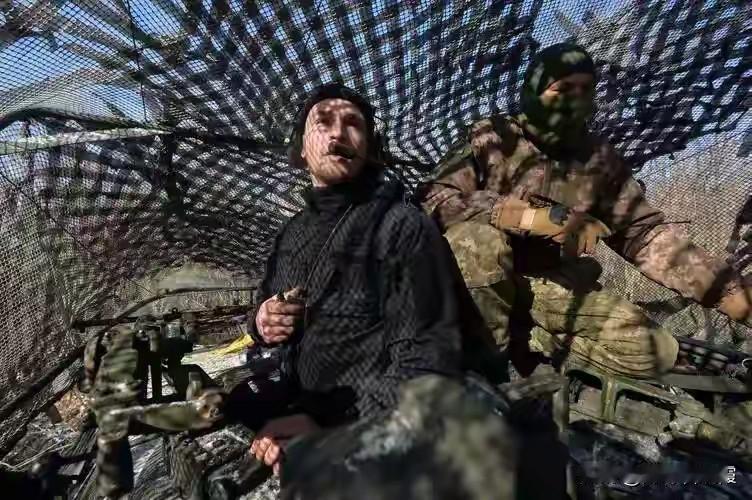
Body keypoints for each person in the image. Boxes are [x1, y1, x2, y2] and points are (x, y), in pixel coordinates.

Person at [419, 42, 752, 380]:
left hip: (549, 284)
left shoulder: (597, 159)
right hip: (476, 281)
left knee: (657, 352)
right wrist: (526, 217)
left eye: (585, 90)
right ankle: (486, 368)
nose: (574, 100)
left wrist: (727, 292)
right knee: (476, 241)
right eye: (562, 89)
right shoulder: (492, 137)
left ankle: (532, 341)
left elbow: (644, 236)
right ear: (534, 90)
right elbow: (434, 200)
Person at [245, 83, 464, 475]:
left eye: (353, 124)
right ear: (302, 148)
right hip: (294, 406)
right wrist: (262, 321)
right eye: (323, 122)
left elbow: (426, 357)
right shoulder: (292, 232)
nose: (338, 133)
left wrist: (336, 430)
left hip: (367, 426)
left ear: (369, 147)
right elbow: (262, 305)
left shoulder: (399, 226)